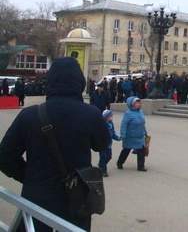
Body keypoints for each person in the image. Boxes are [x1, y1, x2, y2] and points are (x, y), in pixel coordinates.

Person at [0, 57, 110, 232]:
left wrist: (29, 177)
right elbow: (102, 144)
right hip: (77, 196)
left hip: (37, 197)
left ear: (50, 82)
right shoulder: (90, 114)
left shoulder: (29, 115)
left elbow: (5, 156)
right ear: (79, 83)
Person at [117, 96, 148, 171]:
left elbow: (142, 124)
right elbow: (124, 124)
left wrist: (145, 132)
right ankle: (120, 162)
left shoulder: (140, 112)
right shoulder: (128, 113)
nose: (138, 104)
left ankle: (141, 166)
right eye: (136, 103)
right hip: (130, 135)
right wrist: (123, 135)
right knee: (126, 149)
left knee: (141, 150)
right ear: (132, 104)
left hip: (140, 135)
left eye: (139, 102)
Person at [98, 110, 121, 177]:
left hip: (109, 144)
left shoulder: (111, 124)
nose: (112, 117)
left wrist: (118, 138)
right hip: (102, 144)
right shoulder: (102, 125)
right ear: (106, 117)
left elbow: (113, 133)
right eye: (110, 116)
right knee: (103, 157)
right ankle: (103, 171)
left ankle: (101, 164)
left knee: (109, 156)